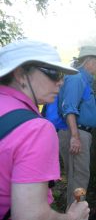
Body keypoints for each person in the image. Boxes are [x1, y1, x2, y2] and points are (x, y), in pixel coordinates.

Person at [0, 39, 89, 220]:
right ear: (21, 74)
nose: (61, 82)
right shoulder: (36, 129)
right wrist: (72, 217)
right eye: (54, 73)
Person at [58, 45, 96, 209]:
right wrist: (75, 137)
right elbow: (69, 107)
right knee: (80, 177)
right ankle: (76, 212)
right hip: (77, 132)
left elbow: (93, 101)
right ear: (89, 61)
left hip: (80, 133)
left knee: (77, 176)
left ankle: (74, 209)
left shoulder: (83, 80)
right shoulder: (76, 79)